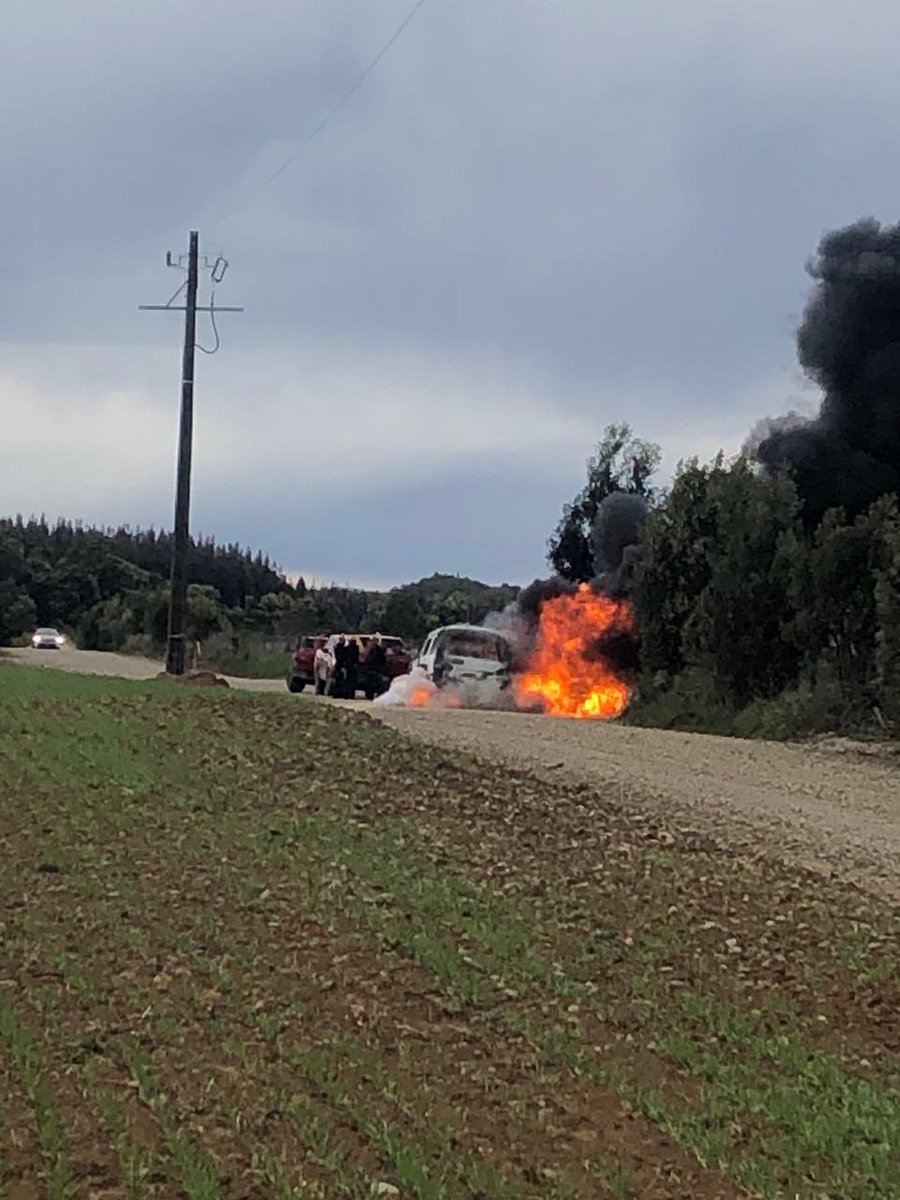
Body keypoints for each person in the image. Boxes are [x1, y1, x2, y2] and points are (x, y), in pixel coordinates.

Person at [364, 634, 388, 700]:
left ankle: (376, 694)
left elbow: (383, 660)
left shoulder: (379, 650)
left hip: (377, 670)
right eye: (373, 641)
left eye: (375, 641)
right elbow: (365, 658)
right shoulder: (369, 650)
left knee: (377, 684)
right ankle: (369, 695)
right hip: (370, 670)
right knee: (369, 684)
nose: (374, 642)